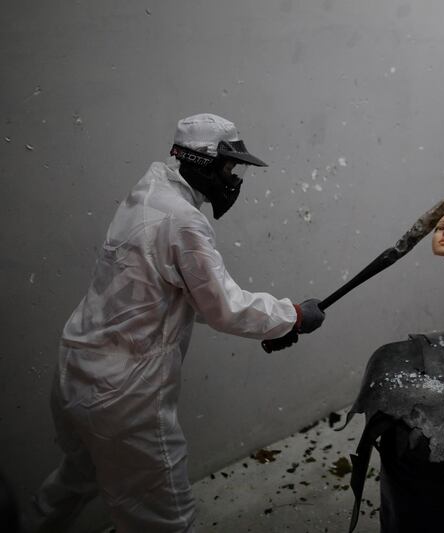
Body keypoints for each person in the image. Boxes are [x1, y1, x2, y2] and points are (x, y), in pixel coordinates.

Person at [31, 113, 325, 532]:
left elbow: (180, 293)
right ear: (201, 162)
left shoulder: (147, 194)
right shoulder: (183, 220)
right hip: (125, 395)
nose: (233, 177)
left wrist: (277, 327)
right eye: (228, 166)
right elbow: (224, 307)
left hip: (78, 374)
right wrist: (293, 316)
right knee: (166, 520)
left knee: (75, 480)